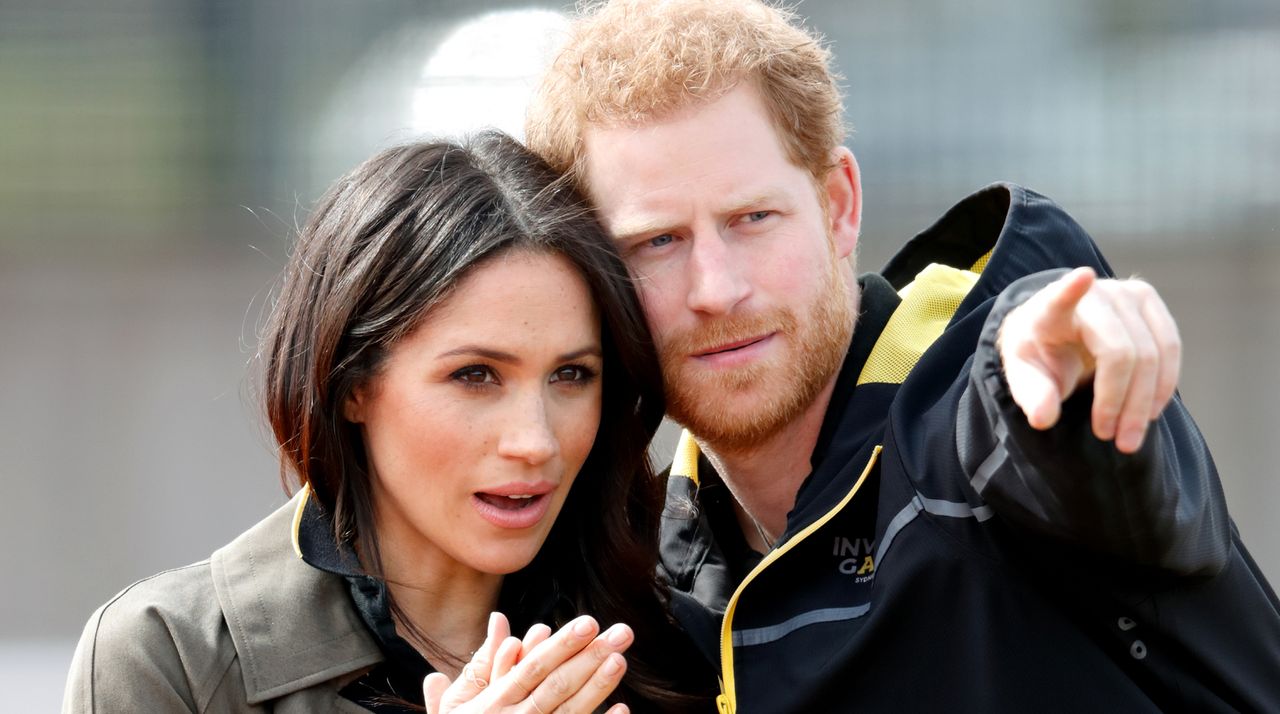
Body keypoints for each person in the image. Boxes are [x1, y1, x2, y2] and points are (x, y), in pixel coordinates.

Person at [524, 0, 1280, 711]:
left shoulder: (975, 420)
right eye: (658, 241)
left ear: (839, 206)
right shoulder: (648, 584)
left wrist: (1066, 383)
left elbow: (1057, 447)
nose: (716, 289)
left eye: (753, 218)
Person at [62, 131, 712, 713]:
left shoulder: (679, 627)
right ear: (353, 384)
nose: (536, 441)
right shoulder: (169, 660)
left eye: (571, 375)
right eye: (476, 375)